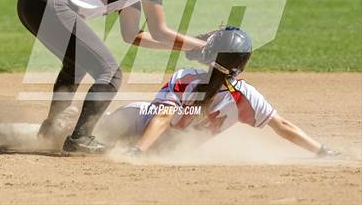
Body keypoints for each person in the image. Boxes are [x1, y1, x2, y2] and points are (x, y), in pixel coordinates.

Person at [16, 0, 206, 154]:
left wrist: (185, 47)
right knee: (110, 73)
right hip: (49, 0)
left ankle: (49, 131)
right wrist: (201, 46)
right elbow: (160, 30)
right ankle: (80, 138)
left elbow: (133, 35)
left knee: (76, 64)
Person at [96, 27, 339, 158]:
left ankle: (71, 125)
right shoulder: (245, 95)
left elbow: (162, 117)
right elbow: (283, 126)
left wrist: (139, 150)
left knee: (103, 128)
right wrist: (321, 150)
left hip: (140, 127)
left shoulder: (186, 78)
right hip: (167, 150)